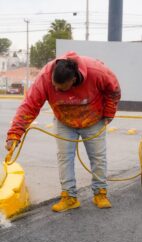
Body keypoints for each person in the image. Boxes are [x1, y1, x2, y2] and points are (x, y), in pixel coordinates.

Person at [5, 51, 121, 212]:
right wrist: (15, 133)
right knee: (65, 158)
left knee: (98, 158)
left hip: (94, 119)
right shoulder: (45, 77)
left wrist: (109, 113)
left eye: (60, 87)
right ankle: (69, 197)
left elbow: (113, 91)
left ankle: (100, 193)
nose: (55, 88)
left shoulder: (97, 71)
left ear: (73, 80)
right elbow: (29, 105)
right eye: (54, 85)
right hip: (64, 121)